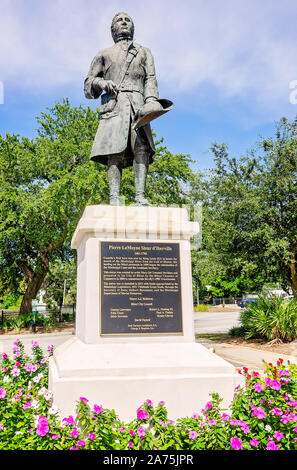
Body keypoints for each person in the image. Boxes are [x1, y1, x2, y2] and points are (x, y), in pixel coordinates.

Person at [84, 12, 161, 206]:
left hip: (138, 103)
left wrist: (151, 101)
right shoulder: (104, 53)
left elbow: (150, 79)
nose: (124, 22)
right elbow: (88, 86)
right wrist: (101, 83)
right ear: (113, 29)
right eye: (120, 20)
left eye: (128, 20)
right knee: (114, 151)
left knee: (141, 148)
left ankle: (140, 197)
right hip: (114, 104)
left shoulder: (144, 52)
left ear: (132, 27)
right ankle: (114, 198)